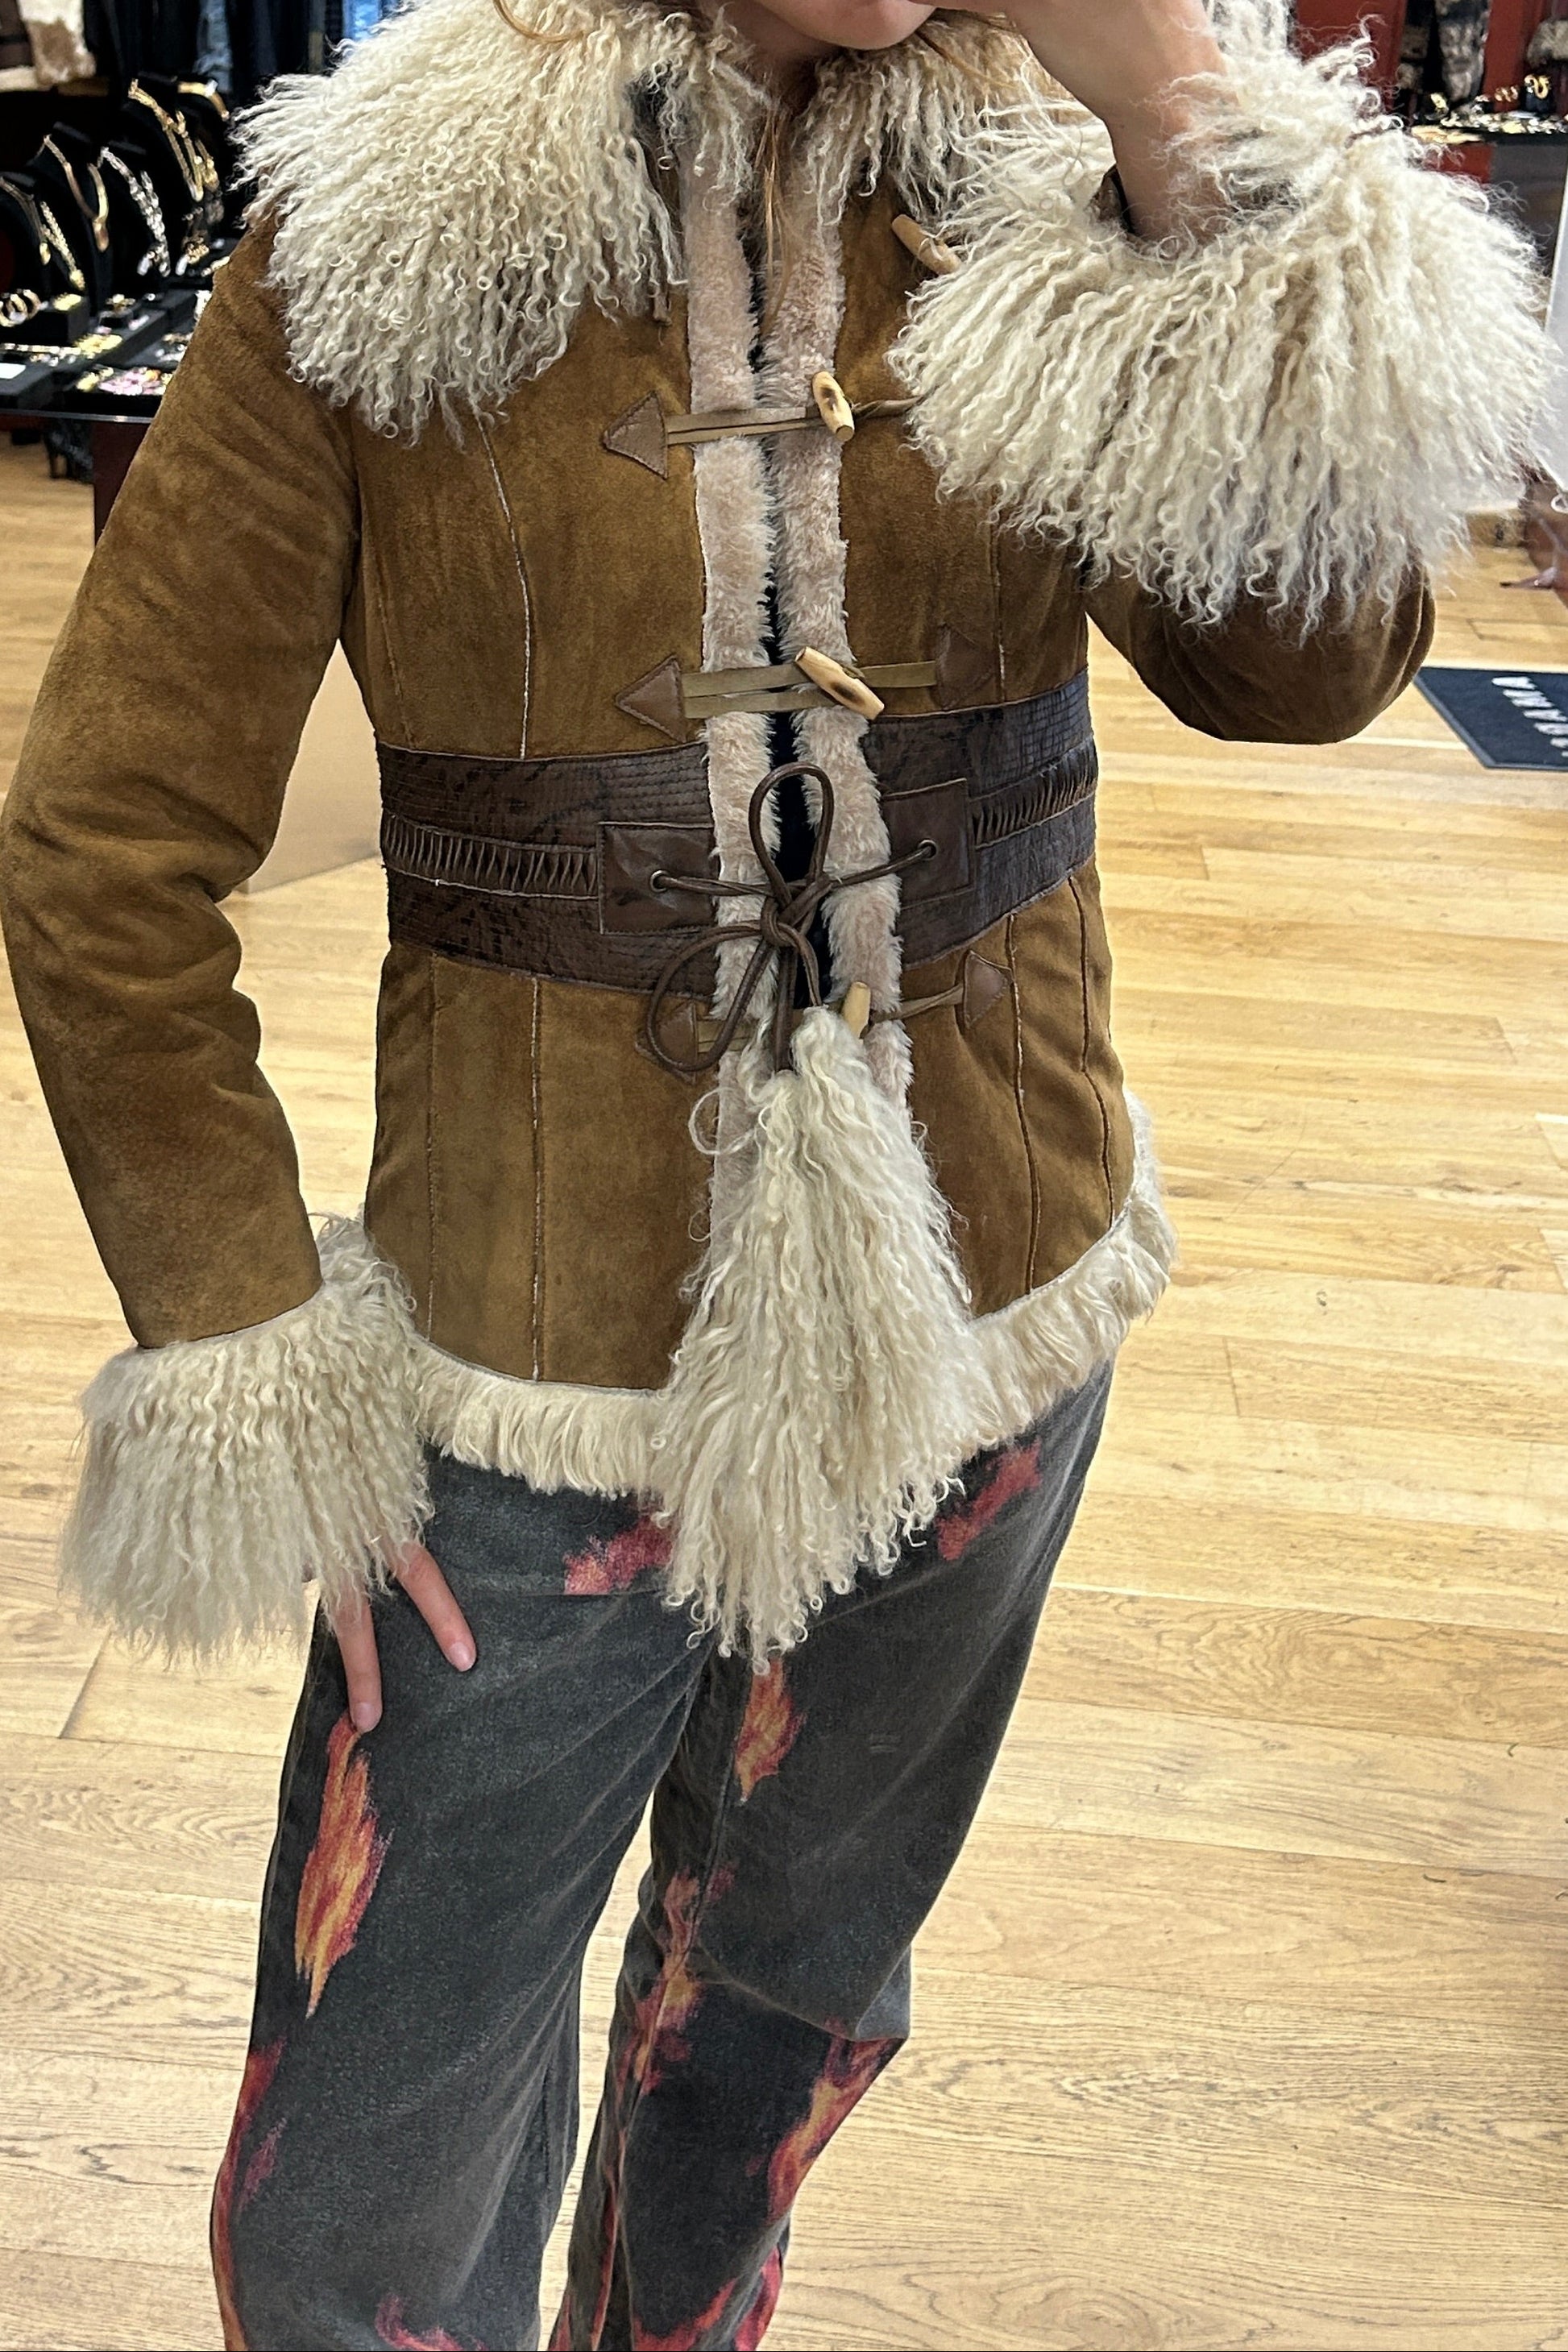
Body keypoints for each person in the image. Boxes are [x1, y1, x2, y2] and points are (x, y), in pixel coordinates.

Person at [0, 0, 1545, 2343]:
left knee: (779, 2026)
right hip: (526, 1386)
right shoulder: (392, 222)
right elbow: (105, 845)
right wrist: (253, 1351)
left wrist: (1180, 129)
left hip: (988, 1321)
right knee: (370, 2170)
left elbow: (1300, 677)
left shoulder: (1046, 194)